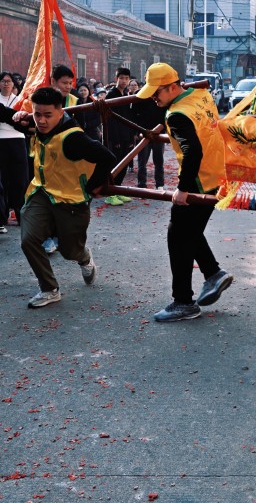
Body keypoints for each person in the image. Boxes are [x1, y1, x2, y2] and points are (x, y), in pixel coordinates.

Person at [136, 62, 233, 322]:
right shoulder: (200, 94)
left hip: (199, 181)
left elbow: (193, 152)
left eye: (157, 93)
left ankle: (183, 302)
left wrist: (183, 189)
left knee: (177, 236)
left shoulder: (177, 114)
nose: (154, 99)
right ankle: (213, 273)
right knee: (186, 231)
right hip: (217, 173)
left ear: (172, 87)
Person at [20, 87, 116, 308]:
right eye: (37, 114)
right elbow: (15, 120)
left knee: (69, 250)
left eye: (47, 115)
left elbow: (107, 158)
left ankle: (84, 258)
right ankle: (49, 289)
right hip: (42, 193)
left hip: (71, 200)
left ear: (60, 112)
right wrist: (17, 115)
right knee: (29, 239)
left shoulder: (74, 138)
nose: (41, 120)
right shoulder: (36, 126)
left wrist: (92, 187)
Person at [0, 71, 30, 226]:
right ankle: (2, 216)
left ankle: (20, 213)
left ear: (14, 84)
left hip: (18, 140)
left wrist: (12, 120)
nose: (6, 84)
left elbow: (26, 123)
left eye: (9, 81)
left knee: (20, 180)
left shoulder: (21, 100)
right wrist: (15, 120)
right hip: (1, 141)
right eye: (3, 81)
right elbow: (19, 121)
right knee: (2, 180)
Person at [104, 67, 135, 206]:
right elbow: (110, 119)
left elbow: (128, 118)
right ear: (116, 78)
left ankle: (118, 189)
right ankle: (110, 193)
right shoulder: (112, 94)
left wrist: (130, 137)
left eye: (126, 78)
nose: (124, 81)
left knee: (124, 163)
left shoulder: (126, 94)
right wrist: (115, 139)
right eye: (121, 78)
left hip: (125, 135)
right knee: (116, 165)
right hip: (116, 136)